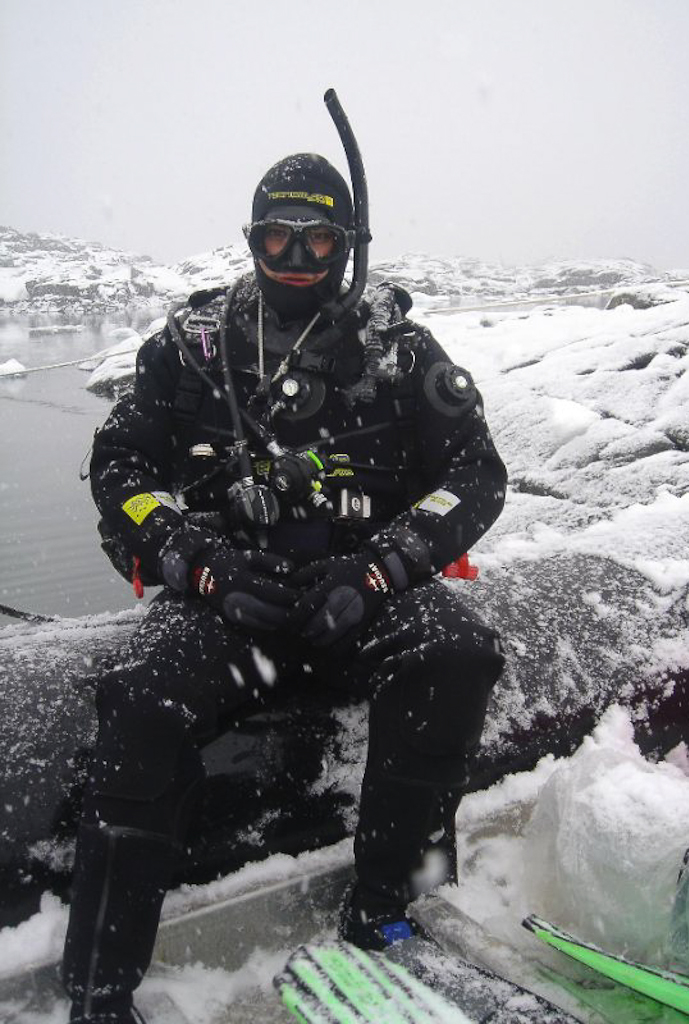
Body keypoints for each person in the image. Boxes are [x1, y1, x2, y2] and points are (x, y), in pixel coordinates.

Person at [62, 151, 506, 1024]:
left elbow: (476, 475)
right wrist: (195, 559)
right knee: (143, 699)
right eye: (277, 238)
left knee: (456, 653)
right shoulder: (190, 350)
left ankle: (388, 913)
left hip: (365, 591)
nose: (297, 260)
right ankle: (99, 995)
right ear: (251, 239)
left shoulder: (400, 351)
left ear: (348, 244)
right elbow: (118, 465)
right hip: (231, 601)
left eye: (317, 241)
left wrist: (386, 565)